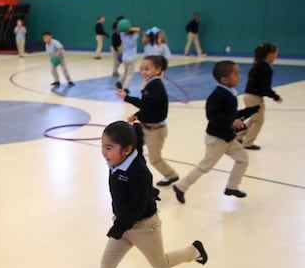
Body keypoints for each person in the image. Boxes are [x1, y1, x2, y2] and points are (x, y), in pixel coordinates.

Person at [80, 121, 207, 268]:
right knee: (108, 262)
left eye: (109, 148)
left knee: (160, 264)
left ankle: (194, 251)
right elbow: (137, 189)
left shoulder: (137, 170)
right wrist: (149, 193)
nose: (104, 153)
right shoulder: (120, 160)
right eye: (102, 147)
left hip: (145, 228)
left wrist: (119, 226)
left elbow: (137, 206)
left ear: (127, 150)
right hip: (124, 224)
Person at [173, 60, 260, 204]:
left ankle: (232, 187)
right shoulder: (218, 95)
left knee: (243, 159)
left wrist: (250, 110)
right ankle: (181, 187)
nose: (239, 77)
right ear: (224, 80)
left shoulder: (229, 93)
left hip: (227, 138)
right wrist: (231, 122)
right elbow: (213, 116)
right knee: (205, 167)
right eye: (236, 74)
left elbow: (232, 114)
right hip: (217, 140)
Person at [118, 55, 179, 187]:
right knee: (134, 149)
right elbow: (150, 107)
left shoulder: (156, 85)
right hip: (146, 128)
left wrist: (126, 97)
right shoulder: (151, 84)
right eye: (141, 69)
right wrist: (137, 115)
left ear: (158, 70)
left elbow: (147, 104)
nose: (143, 72)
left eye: (147, 69)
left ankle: (171, 175)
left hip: (155, 131)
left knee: (155, 159)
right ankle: (136, 174)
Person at [239, 43, 283, 151]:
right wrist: (275, 97)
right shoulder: (265, 68)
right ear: (269, 55)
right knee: (258, 121)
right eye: (275, 54)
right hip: (255, 98)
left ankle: (239, 136)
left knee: (254, 119)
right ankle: (248, 142)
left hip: (248, 95)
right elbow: (265, 88)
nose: (276, 57)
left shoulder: (257, 64)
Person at [116, 19, 140, 90]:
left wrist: (125, 28)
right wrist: (129, 28)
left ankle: (119, 81)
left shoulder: (123, 36)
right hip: (132, 58)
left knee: (126, 71)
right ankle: (125, 87)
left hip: (125, 57)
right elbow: (138, 29)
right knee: (130, 74)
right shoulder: (134, 37)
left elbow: (118, 30)